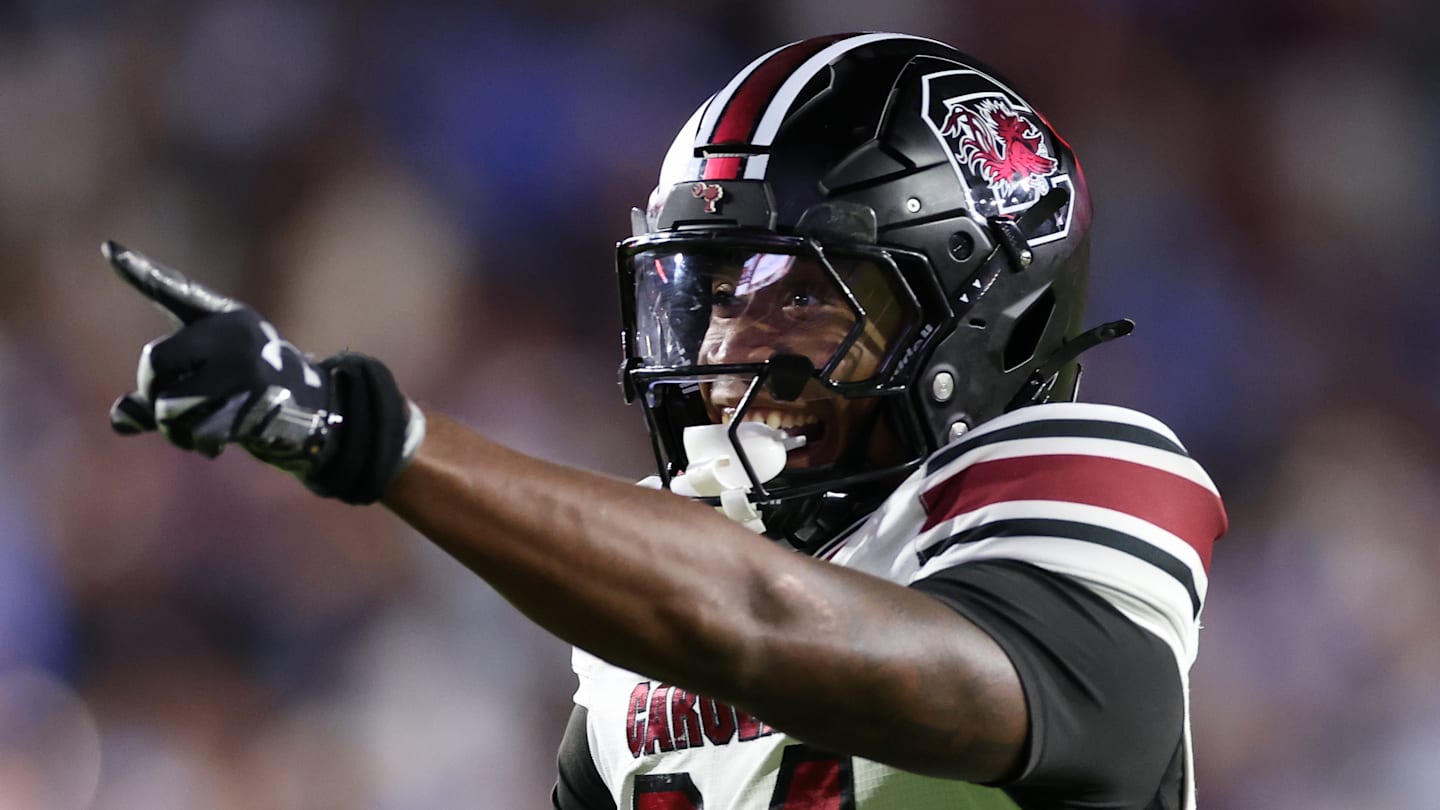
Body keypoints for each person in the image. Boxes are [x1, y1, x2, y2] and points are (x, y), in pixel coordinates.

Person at [106, 32, 1228, 810]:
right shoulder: (651, 591)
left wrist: (373, 439)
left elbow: (761, 623)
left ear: (978, 319)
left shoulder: (1075, 481)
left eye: (802, 291)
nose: (729, 345)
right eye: (715, 290)